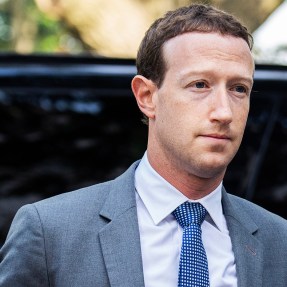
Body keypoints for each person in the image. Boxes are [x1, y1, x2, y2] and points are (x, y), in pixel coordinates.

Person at [1, 4, 287, 287]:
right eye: (200, 85)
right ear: (147, 97)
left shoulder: (280, 242)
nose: (224, 112)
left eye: (239, 89)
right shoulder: (50, 232)